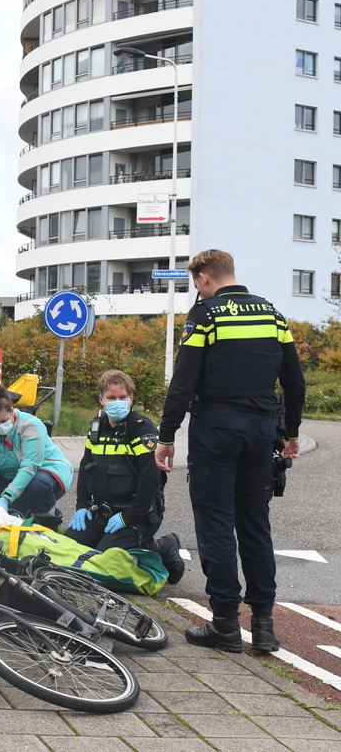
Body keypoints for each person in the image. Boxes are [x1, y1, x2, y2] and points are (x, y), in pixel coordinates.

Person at [156, 249, 305, 653]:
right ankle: (263, 627)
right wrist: (291, 431)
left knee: (216, 523)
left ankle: (224, 625)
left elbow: (183, 381)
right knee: (255, 523)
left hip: (216, 430)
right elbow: (294, 381)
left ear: (204, 278)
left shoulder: (206, 315)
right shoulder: (272, 315)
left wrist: (167, 435)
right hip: (260, 433)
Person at [65, 370, 185, 584]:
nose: (117, 402)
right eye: (111, 398)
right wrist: (81, 505)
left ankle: (162, 548)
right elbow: (85, 469)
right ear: (102, 399)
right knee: (67, 549)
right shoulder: (96, 428)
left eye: (123, 397)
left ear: (131, 399)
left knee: (104, 567)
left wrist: (128, 517)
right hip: (103, 512)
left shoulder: (142, 429)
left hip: (136, 515)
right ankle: (112, 541)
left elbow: (151, 480)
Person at [0, 384, 73, 522]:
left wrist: (6, 498)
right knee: (2, 517)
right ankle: (24, 512)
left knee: (36, 486)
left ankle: (46, 515)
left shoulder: (30, 425)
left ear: (12, 411)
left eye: (4, 421)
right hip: (9, 477)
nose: (0, 426)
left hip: (44, 473)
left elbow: (29, 467)